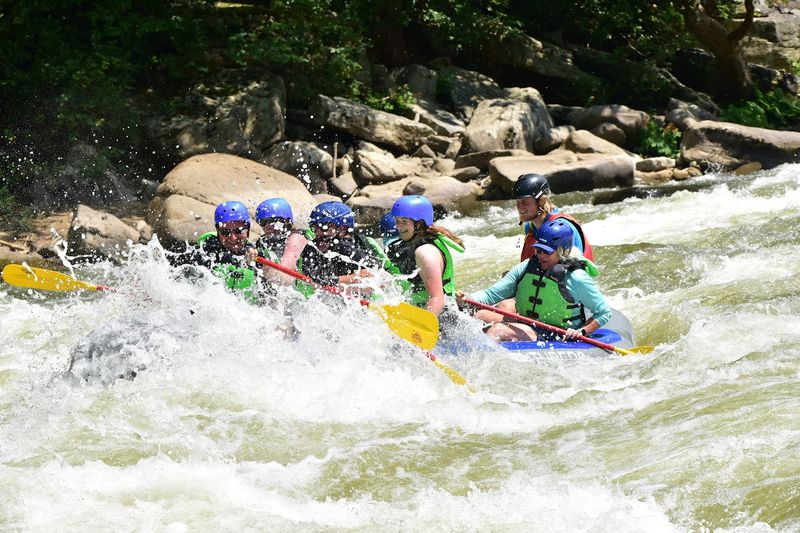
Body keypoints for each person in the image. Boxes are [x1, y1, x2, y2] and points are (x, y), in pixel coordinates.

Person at [459, 218, 610, 342]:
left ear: (562, 251)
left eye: (547, 252)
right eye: (538, 250)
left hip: (555, 333)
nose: (541, 255)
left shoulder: (577, 277)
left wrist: (581, 332)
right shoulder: (527, 267)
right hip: (527, 323)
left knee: (497, 330)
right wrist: (466, 299)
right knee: (475, 315)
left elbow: (603, 312)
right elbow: (492, 294)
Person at [384, 195, 464, 317]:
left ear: (419, 224)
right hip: (417, 309)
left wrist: (419, 331)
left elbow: (437, 299)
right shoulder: (409, 244)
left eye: (404, 221)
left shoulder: (425, 252)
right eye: (397, 221)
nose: (398, 226)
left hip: (441, 318)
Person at [170, 200, 260, 296]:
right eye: (225, 232)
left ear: (248, 230)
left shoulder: (254, 251)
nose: (232, 238)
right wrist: (243, 258)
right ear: (218, 232)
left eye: (238, 231)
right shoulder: (208, 246)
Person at [297, 201, 380, 290]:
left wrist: (335, 281)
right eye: (314, 227)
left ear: (343, 230)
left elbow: (373, 275)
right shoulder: (311, 248)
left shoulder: (347, 248)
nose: (317, 232)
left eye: (323, 227)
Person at [513, 173, 594, 262]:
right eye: (518, 201)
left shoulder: (561, 227)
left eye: (525, 202)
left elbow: (573, 267)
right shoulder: (530, 227)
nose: (520, 206)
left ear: (541, 202)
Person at [254, 197, 310, 284]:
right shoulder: (263, 242)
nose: (268, 227)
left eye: (273, 221)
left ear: (286, 221)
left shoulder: (296, 239)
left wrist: (265, 267)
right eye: (264, 222)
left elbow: (285, 278)